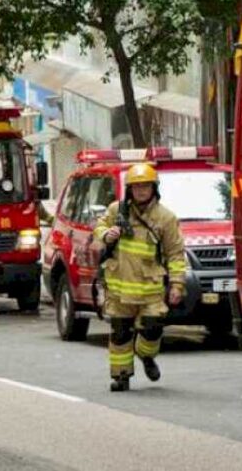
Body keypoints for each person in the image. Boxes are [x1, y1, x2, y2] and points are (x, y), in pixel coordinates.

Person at [93, 163, 187, 392]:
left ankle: (146, 355)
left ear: (154, 188)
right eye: (136, 187)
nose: (141, 191)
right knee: (120, 334)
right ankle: (121, 376)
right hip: (119, 289)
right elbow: (98, 227)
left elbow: (175, 253)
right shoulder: (117, 211)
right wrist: (107, 234)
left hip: (150, 290)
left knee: (152, 329)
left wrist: (176, 284)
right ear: (129, 189)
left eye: (146, 186)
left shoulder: (165, 218)